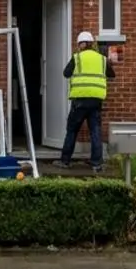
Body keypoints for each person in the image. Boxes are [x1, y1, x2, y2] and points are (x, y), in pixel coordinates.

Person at [55, 30, 113, 173]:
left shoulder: (77, 58)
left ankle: (65, 161)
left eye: (79, 43)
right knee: (95, 132)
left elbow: (66, 73)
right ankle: (96, 163)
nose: (78, 46)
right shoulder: (102, 59)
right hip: (96, 101)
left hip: (80, 100)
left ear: (83, 43)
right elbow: (112, 74)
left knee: (72, 130)